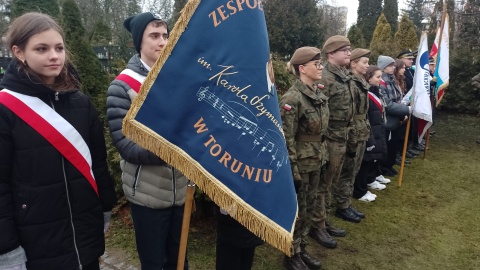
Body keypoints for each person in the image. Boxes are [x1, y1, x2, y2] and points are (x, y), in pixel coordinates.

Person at [0, 12, 116, 270]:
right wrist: (6, 248)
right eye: (41, 49)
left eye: (59, 48)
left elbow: (98, 163)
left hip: (84, 234)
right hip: (35, 242)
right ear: (19, 52)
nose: (54, 56)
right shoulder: (5, 109)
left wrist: (105, 207)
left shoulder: (81, 103)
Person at [106, 12, 188, 270]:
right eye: (154, 36)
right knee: (154, 264)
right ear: (138, 42)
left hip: (182, 191)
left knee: (179, 262)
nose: (162, 42)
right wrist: (174, 151)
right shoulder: (122, 87)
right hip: (147, 195)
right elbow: (127, 146)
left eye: (165, 35)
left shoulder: (178, 80)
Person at [279, 46, 327, 270]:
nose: (320, 67)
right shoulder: (292, 98)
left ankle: (302, 247)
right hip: (300, 164)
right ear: (302, 68)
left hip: (316, 160)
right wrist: (293, 171)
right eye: (316, 64)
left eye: (320, 63)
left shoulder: (318, 93)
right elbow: (286, 138)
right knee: (297, 211)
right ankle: (290, 252)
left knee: (308, 207)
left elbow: (320, 133)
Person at [312, 35, 364, 227]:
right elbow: (318, 111)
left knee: (333, 181)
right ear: (331, 54)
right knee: (323, 185)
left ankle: (324, 220)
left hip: (343, 136)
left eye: (350, 50)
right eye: (345, 51)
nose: (349, 54)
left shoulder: (344, 75)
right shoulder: (324, 78)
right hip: (330, 138)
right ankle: (318, 224)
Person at [353, 66, 390, 202]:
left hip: (376, 128)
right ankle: (360, 190)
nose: (381, 80)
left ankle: (369, 181)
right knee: (365, 161)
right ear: (369, 77)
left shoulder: (375, 91)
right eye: (378, 77)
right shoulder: (366, 93)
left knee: (372, 160)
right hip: (369, 131)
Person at [377, 55, 410, 177]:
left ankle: (388, 165)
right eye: (390, 65)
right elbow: (388, 105)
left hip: (395, 120)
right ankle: (383, 167)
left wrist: (403, 107)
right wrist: (406, 109)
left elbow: (398, 98)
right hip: (388, 121)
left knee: (392, 146)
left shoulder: (392, 79)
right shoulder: (382, 82)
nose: (393, 67)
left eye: (393, 65)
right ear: (383, 67)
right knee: (387, 146)